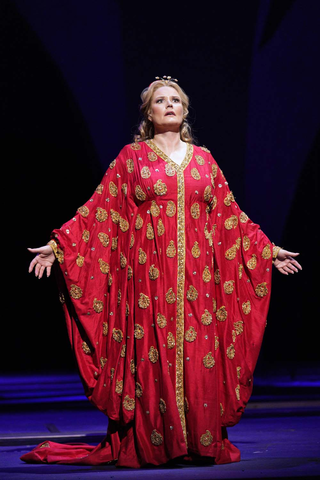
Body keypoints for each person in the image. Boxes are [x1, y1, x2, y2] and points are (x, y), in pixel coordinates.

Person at [23, 76, 302, 468]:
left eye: (176, 100)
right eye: (160, 100)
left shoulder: (204, 159)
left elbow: (230, 217)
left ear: (185, 111)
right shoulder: (131, 158)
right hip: (148, 281)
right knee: (152, 354)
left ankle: (198, 441)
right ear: (149, 113)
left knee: (198, 353)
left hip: (199, 282)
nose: (169, 105)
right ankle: (155, 442)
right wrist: (59, 246)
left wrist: (267, 251)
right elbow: (98, 211)